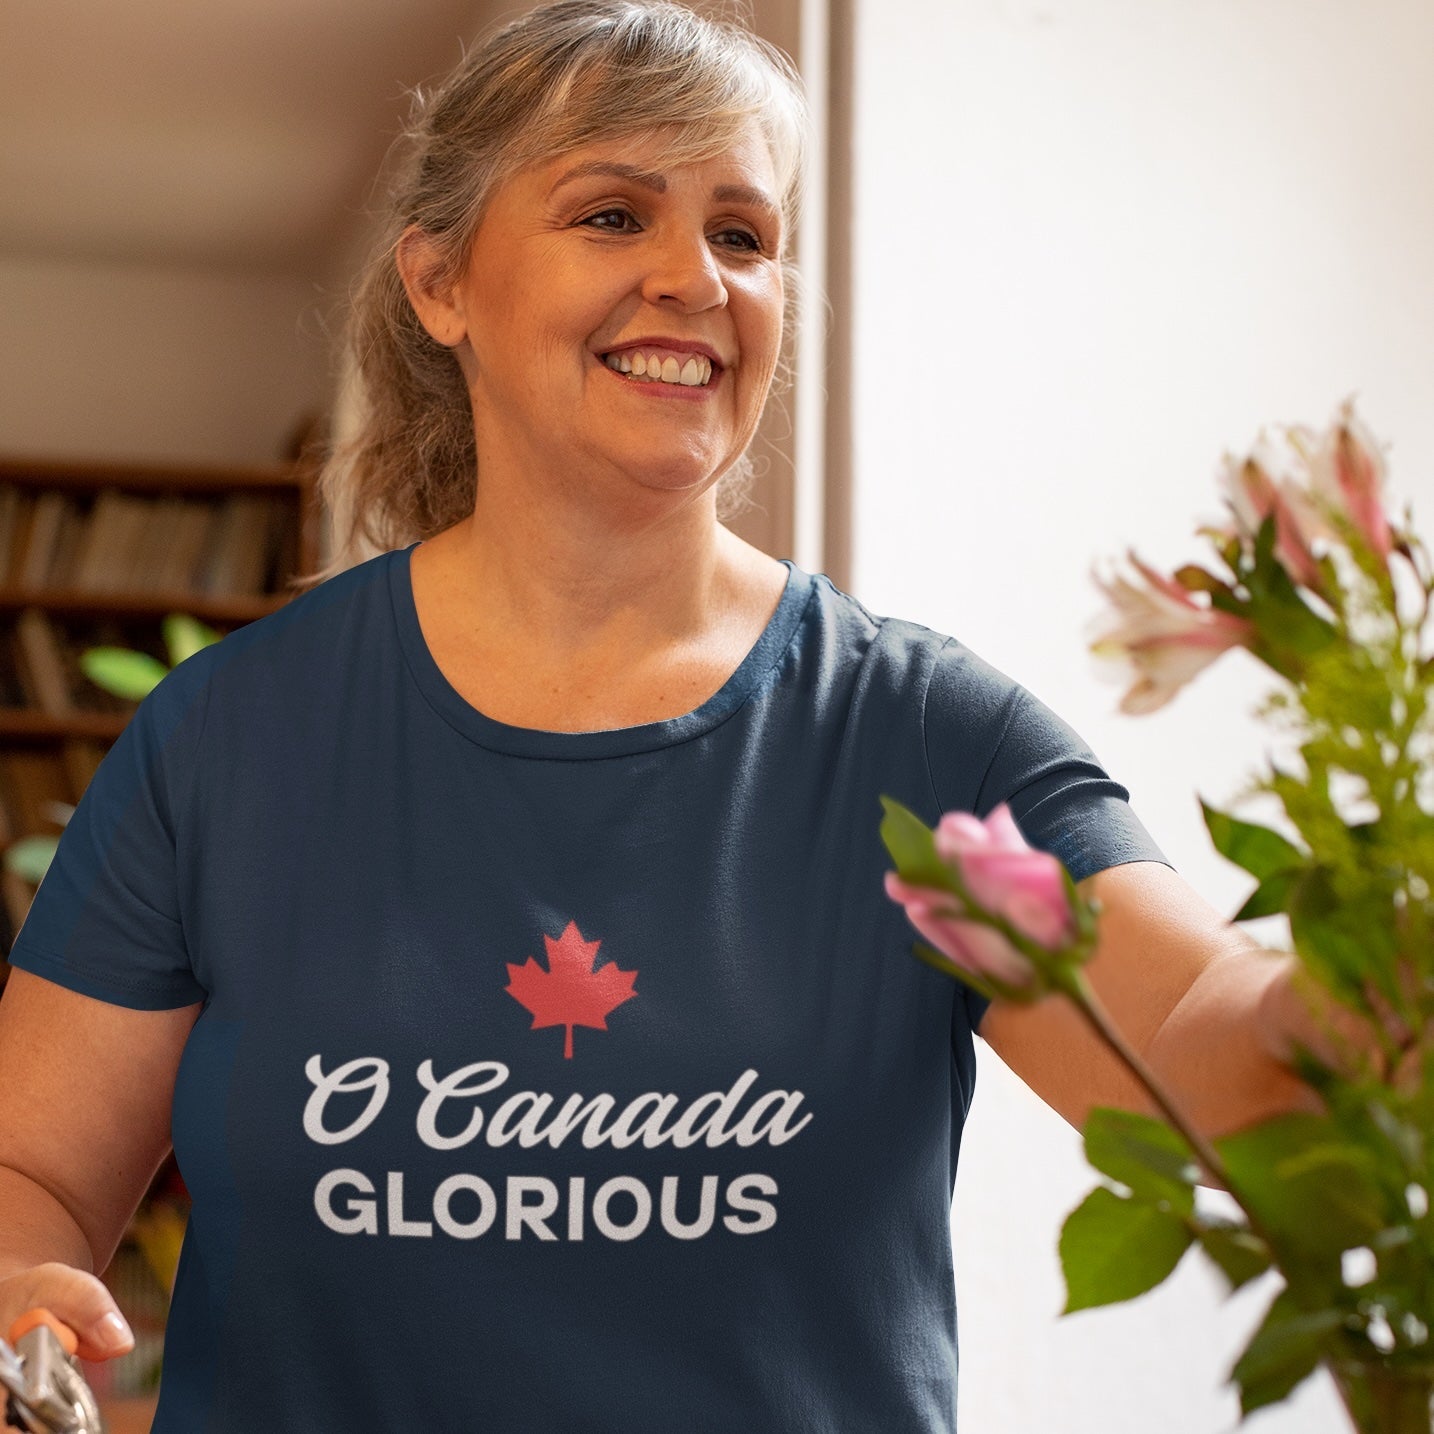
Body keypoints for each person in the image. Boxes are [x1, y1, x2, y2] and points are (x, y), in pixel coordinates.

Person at [0, 2, 1367, 1429]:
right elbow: (29, 1172)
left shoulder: (923, 738)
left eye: (741, 234)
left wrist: (1377, 978)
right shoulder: (228, 741)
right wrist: (22, 1294)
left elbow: (1203, 1041)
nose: (694, 278)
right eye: (611, 214)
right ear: (440, 282)